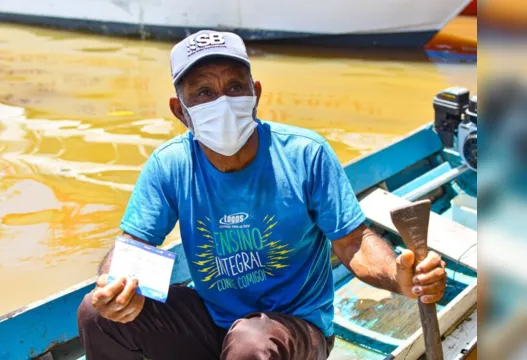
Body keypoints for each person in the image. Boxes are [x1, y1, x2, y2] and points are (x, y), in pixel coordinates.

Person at [77, 30, 447, 360]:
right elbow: (133, 247)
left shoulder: (305, 154)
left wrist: (400, 277)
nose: (221, 102)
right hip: (214, 321)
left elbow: (352, 243)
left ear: (254, 94)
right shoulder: (171, 165)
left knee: (250, 342)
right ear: (181, 110)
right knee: (95, 314)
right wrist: (118, 289)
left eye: (235, 87)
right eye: (203, 93)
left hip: (294, 332)